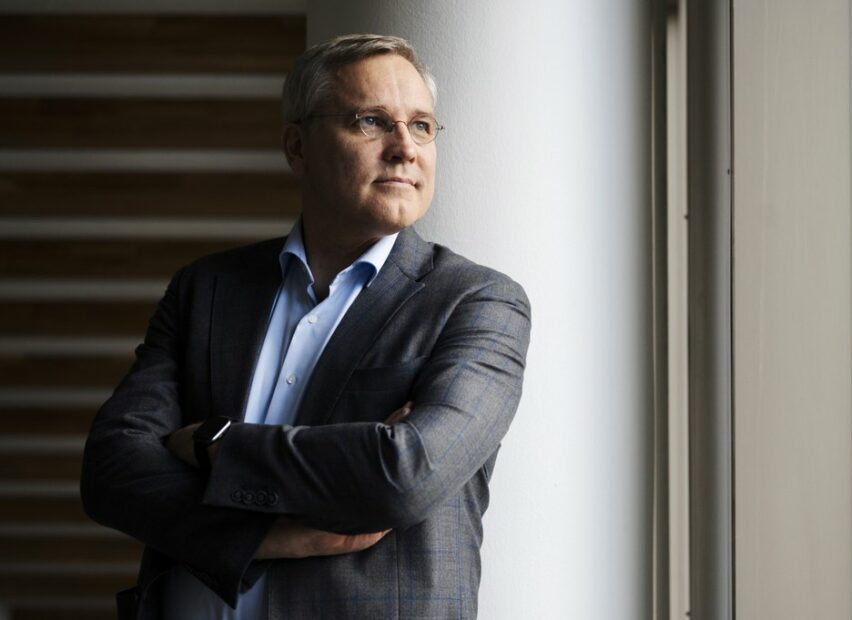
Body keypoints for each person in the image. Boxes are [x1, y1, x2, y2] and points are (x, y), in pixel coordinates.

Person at [80, 33, 531, 620]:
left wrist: (212, 444)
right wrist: (256, 538)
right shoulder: (207, 288)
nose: (405, 149)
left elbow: (406, 475)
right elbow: (112, 470)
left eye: (421, 126)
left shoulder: (477, 302)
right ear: (298, 147)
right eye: (372, 122)